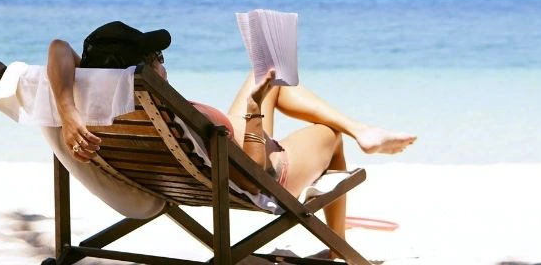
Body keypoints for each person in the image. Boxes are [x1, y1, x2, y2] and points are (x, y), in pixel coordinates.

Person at [46, 22, 416, 251]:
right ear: (144, 69)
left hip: (206, 155)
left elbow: (59, 47)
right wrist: (253, 114)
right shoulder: (171, 109)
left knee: (268, 79)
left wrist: (67, 112)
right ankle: (338, 241)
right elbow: (254, 178)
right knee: (330, 134)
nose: (163, 62)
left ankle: (363, 132)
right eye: (157, 55)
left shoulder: (91, 98)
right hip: (261, 172)